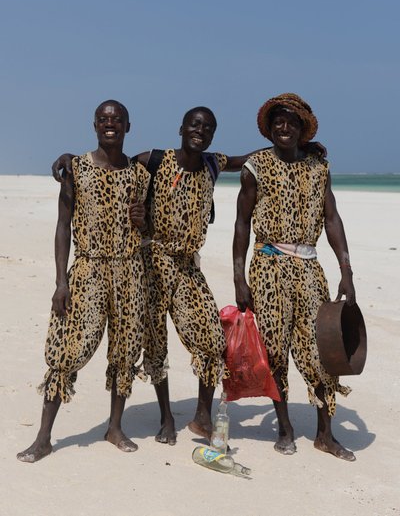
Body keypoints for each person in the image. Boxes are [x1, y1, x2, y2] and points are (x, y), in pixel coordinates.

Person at [51, 106, 326, 447]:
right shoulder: (153, 159)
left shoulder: (213, 163)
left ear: (212, 135)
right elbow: (112, 161)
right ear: (181, 128)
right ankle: (167, 418)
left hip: (188, 267)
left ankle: (201, 417)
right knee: (155, 345)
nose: (200, 131)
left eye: (208, 127)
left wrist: (299, 147)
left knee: (212, 340)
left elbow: (246, 158)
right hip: (150, 264)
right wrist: (70, 157)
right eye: (195, 124)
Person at [17, 100, 150, 462]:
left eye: (117, 120)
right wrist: (61, 282)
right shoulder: (75, 169)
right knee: (66, 351)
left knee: (125, 352)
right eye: (104, 120)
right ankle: (43, 438)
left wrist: (142, 222)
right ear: (94, 125)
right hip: (88, 269)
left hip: (129, 273)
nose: (111, 125)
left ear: (128, 127)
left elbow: (149, 228)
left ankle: (115, 427)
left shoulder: (140, 175)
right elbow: (62, 226)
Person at [233, 93, 357, 462]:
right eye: (277, 122)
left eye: (291, 122)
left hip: (309, 269)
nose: (284, 127)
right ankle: (285, 429)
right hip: (268, 265)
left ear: (303, 129)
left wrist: (346, 270)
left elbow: (332, 219)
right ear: (269, 129)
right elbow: (241, 223)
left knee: (321, 348)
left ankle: (325, 435)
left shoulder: (319, 167)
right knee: (274, 350)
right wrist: (240, 279)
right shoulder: (255, 166)